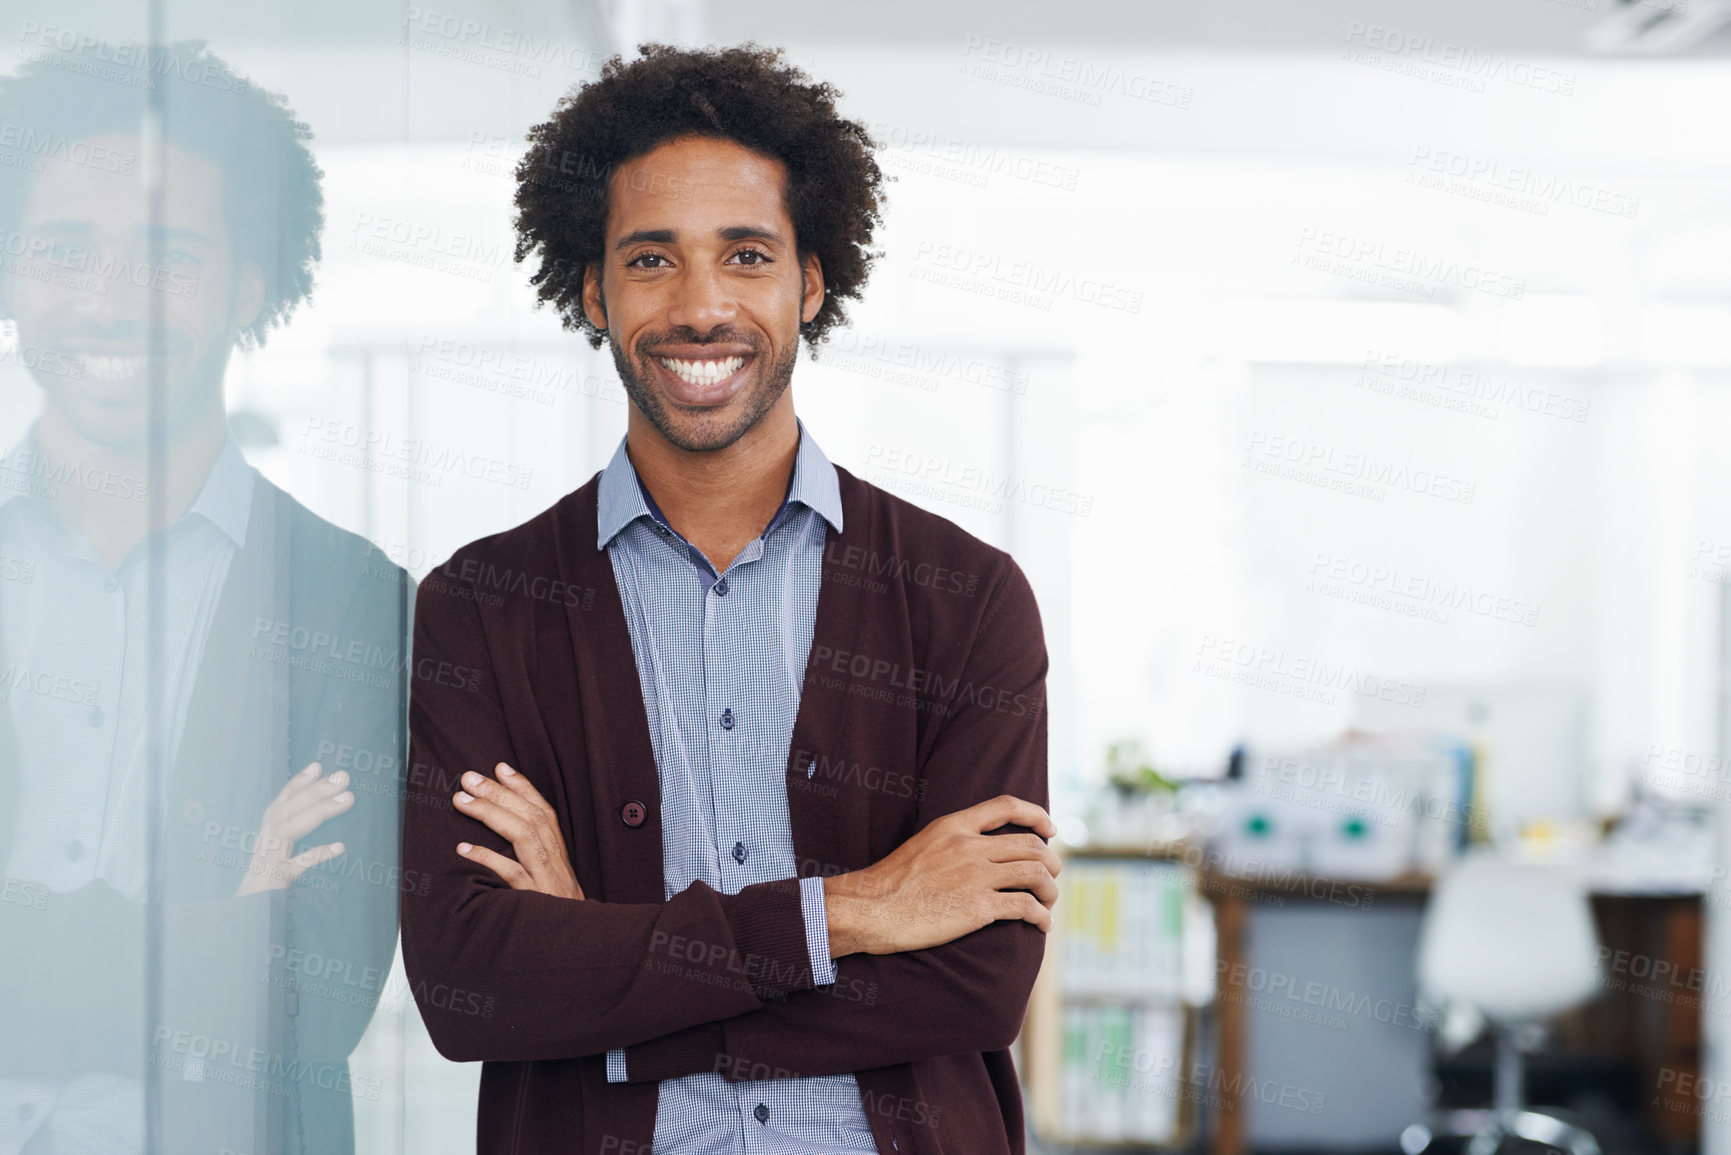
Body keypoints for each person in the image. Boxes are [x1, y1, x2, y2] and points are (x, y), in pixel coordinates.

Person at [401, 44, 1058, 1155]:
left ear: (811, 280)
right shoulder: (483, 605)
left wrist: (607, 976)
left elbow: (976, 984)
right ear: (592, 291)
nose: (701, 307)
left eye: (745, 255)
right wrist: (852, 912)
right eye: (651, 260)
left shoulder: (965, 599)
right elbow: (471, 986)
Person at [0, 40, 407, 1154]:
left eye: (167, 257)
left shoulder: (347, 601)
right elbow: (242, 971)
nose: (107, 301)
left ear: (249, 285)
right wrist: (217, 935)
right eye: (62, 249)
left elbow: (310, 998)